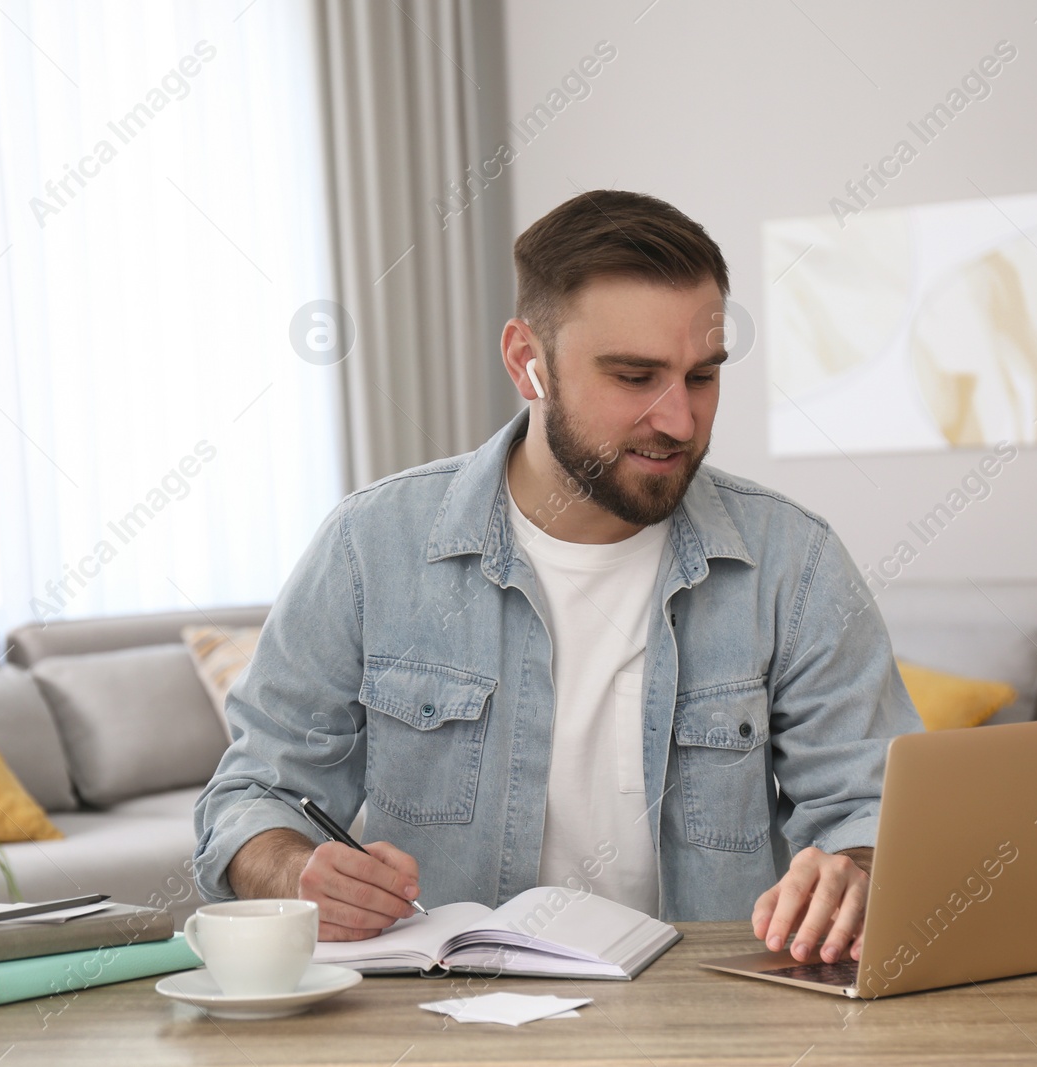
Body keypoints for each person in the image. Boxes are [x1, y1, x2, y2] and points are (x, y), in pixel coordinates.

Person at [193, 190, 922, 966]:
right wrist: (296, 870)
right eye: (635, 376)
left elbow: (880, 815)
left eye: (702, 377)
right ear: (526, 362)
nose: (679, 419)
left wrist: (860, 874)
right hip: (444, 1021)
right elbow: (251, 799)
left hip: (712, 1019)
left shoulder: (794, 563)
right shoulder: (368, 548)